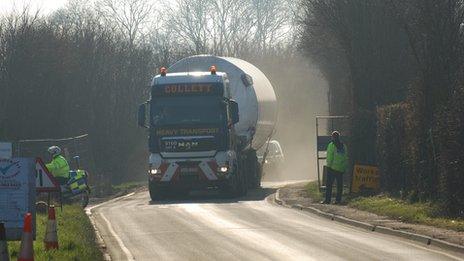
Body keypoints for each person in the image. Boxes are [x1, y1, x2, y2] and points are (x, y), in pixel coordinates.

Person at [322, 131, 348, 204]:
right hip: (340, 168)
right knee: (339, 185)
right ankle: (338, 200)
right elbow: (346, 157)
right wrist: (344, 167)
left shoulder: (331, 145)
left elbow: (330, 157)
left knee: (329, 185)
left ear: (332, 137)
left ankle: (327, 200)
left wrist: (328, 166)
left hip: (332, 168)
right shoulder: (343, 146)